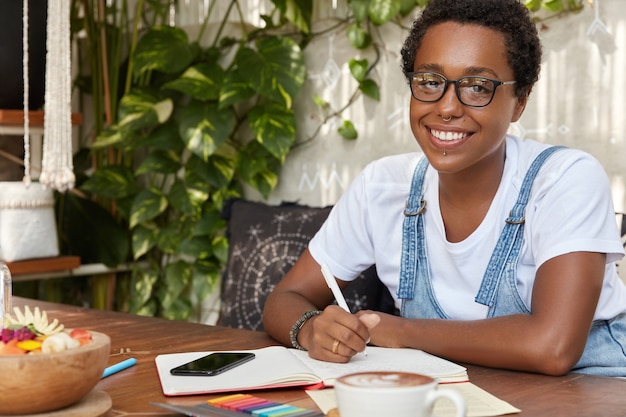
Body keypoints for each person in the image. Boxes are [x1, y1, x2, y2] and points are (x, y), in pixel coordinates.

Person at [262, 0, 626, 377]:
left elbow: (553, 347)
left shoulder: (563, 180)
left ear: (520, 101)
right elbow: (284, 299)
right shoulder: (384, 187)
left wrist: (398, 330)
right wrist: (309, 328)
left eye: (477, 87)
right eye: (430, 82)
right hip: (454, 391)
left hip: (590, 390)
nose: (447, 107)